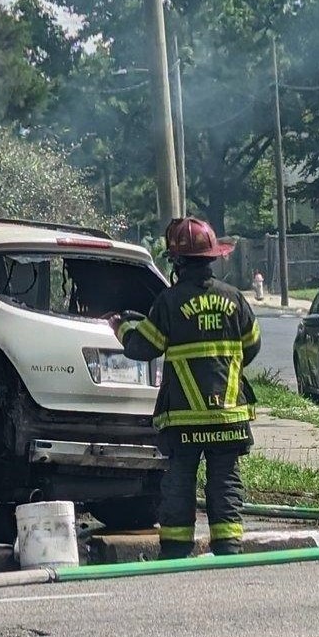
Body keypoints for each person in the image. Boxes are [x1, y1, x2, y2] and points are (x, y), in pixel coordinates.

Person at [111, 218, 261, 558]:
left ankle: (176, 549)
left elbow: (141, 348)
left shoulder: (169, 302)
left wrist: (121, 327)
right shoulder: (235, 299)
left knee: (179, 481)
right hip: (228, 416)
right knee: (225, 481)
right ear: (212, 259)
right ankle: (229, 546)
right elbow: (252, 347)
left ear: (176, 262)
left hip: (184, 417)